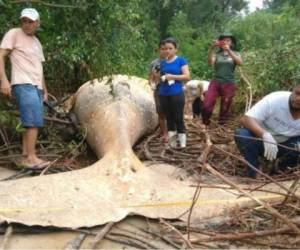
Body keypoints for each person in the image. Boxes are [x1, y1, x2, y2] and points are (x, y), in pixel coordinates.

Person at [0, 8, 49, 169]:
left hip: (36, 86)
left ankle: (24, 156)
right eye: (24, 21)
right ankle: (31, 158)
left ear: (37, 23)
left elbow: (39, 68)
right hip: (22, 83)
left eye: (30, 21)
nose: (27, 25)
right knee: (33, 121)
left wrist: (45, 90)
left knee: (30, 120)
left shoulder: (37, 42)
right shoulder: (14, 34)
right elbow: (1, 55)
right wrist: (4, 80)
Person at [234, 84, 300, 178]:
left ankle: (280, 171)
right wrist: (264, 135)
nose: (298, 99)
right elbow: (246, 119)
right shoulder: (276, 99)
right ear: (293, 90)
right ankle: (255, 170)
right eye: (297, 93)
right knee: (241, 134)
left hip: (287, 145)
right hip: (261, 140)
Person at [202, 33, 242, 125]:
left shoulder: (236, 53)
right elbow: (210, 62)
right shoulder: (217, 54)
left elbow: (240, 63)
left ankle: (220, 128)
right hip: (215, 82)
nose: (225, 42)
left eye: (228, 40)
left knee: (225, 108)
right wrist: (212, 48)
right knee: (206, 106)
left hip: (229, 83)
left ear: (231, 43)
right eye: (223, 40)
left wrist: (229, 51)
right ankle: (205, 124)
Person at [159, 38, 190, 148]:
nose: (168, 51)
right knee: (169, 118)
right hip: (163, 93)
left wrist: (172, 76)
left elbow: (187, 76)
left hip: (176, 92)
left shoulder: (181, 60)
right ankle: (172, 143)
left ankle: (182, 144)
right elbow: (160, 77)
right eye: (166, 48)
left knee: (178, 118)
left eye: (170, 48)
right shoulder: (162, 63)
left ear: (176, 49)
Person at [148, 41, 168, 142]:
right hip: (159, 89)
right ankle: (164, 133)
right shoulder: (154, 63)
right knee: (161, 112)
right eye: (163, 49)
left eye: (167, 49)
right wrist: (152, 85)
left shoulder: (175, 61)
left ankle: (173, 132)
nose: (165, 51)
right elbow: (151, 77)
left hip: (172, 89)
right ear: (159, 50)